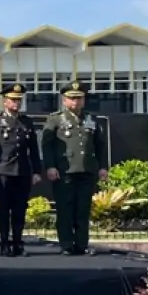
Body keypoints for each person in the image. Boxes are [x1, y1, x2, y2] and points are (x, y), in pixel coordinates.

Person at [41, 81, 108, 256]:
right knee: (65, 209)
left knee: (83, 210)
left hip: (86, 170)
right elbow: (47, 145)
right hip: (65, 171)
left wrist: (102, 167)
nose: (76, 102)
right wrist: (50, 166)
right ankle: (66, 245)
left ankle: (81, 244)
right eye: (72, 98)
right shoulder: (56, 119)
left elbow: (100, 145)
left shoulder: (91, 119)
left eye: (79, 98)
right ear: (64, 100)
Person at [0, 84, 43, 257]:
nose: (16, 103)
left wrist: (36, 171)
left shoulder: (26, 121)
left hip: (22, 171)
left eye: (19, 100)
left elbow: (34, 149)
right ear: (5, 101)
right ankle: (4, 243)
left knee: (20, 209)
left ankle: (18, 242)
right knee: (4, 209)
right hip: (3, 170)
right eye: (13, 100)